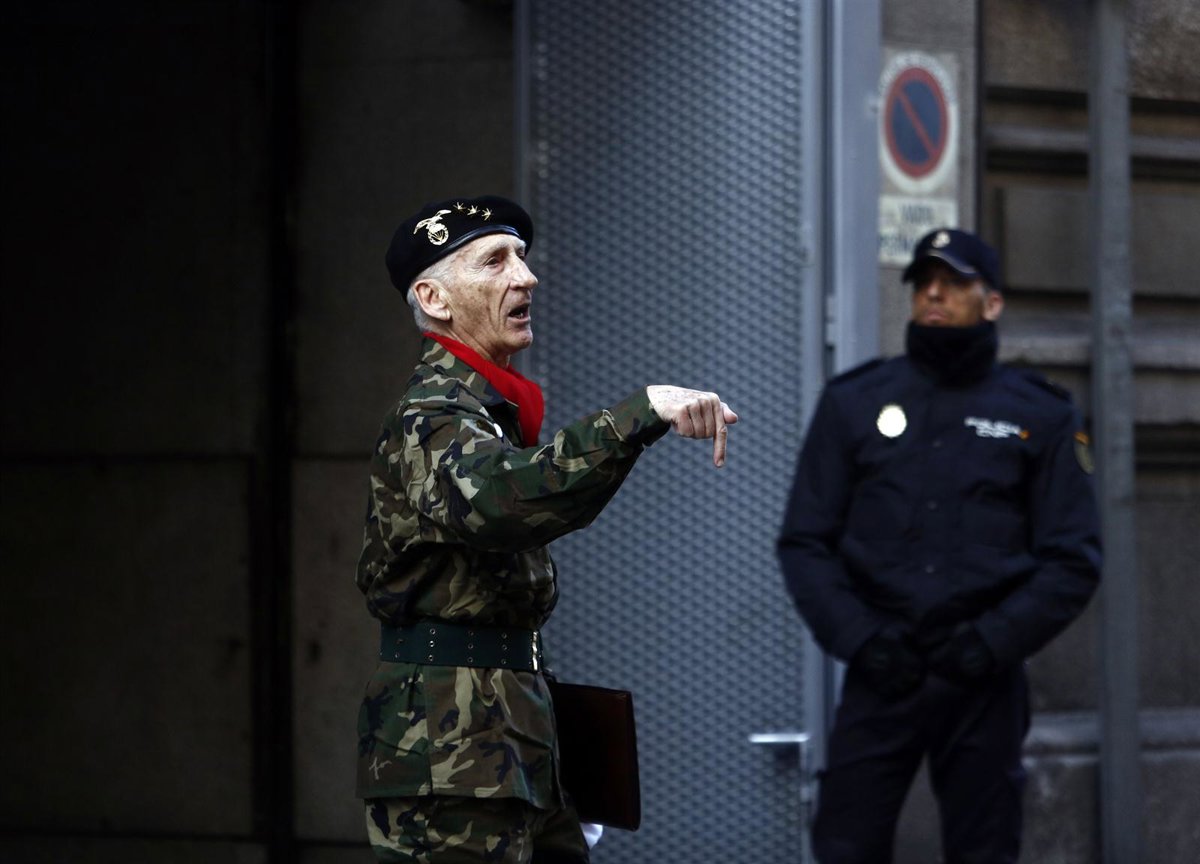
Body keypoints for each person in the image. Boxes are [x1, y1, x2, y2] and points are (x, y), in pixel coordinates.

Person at [356, 195, 737, 863]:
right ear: (435, 298)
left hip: (510, 739)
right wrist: (639, 413)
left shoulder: (485, 410)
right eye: (495, 261)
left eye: (523, 259)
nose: (525, 278)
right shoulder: (431, 416)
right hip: (448, 754)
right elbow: (508, 500)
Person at [776, 228, 1102, 864]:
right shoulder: (855, 401)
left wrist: (991, 642)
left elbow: (1073, 557)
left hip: (982, 678)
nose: (933, 294)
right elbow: (805, 541)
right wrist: (864, 641)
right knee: (845, 844)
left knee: (985, 848)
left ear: (992, 302)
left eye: (954, 283)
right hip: (882, 669)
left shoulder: (1041, 413)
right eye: (924, 282)